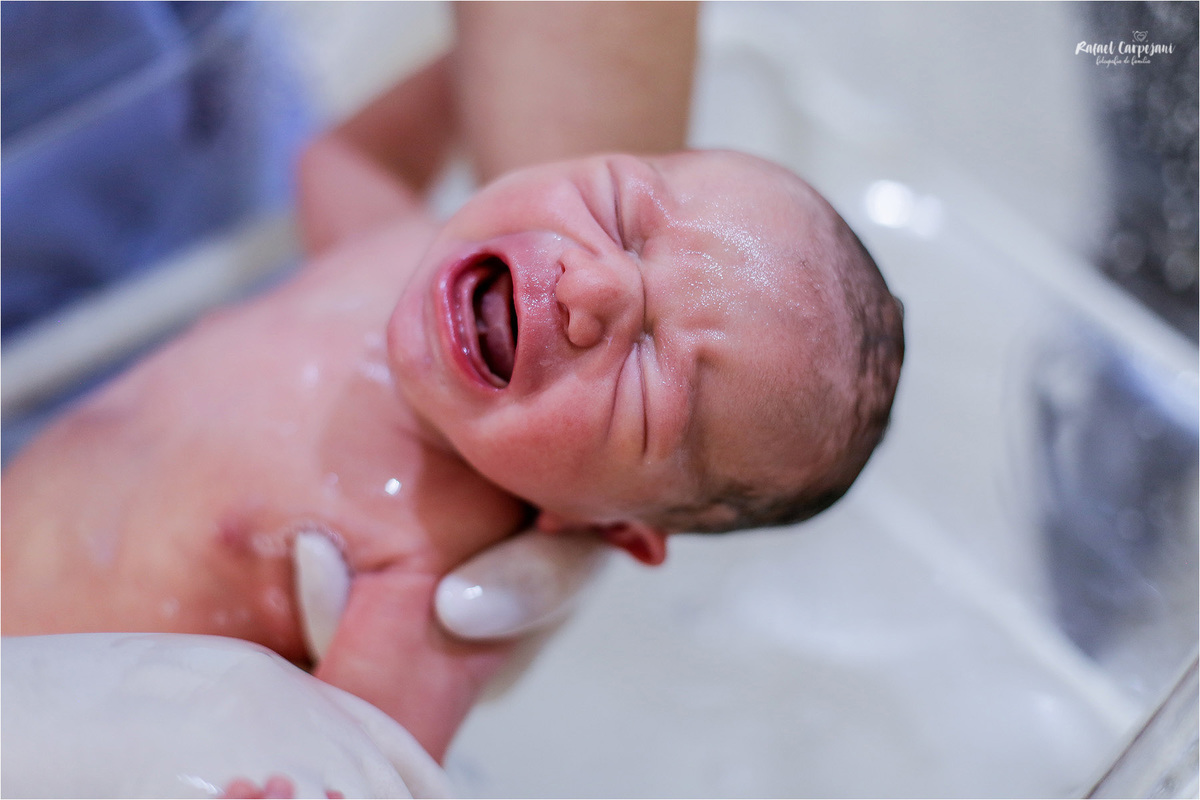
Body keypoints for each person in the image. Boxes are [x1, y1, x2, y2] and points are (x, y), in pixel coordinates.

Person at [2, 51, 904, 772]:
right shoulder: (393, 253)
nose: (592, 287)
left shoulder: (429, 576)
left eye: (649, 373)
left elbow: (358, 766)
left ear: (613, 527)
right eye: (626, 217)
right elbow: (343, 163)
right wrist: (470, 64)